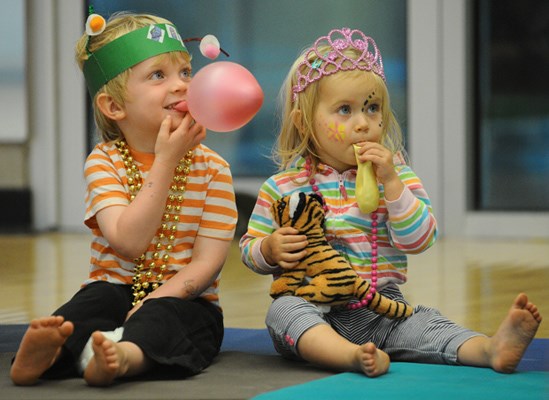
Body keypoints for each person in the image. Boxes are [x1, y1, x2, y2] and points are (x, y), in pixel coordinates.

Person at [239, 27, 542, 377]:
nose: (363, 122)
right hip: (313, 306)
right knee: (283, 313)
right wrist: (269, 250)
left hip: (383, 308)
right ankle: (347, 355)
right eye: (344, 110)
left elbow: (421, 239)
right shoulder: (282, 186)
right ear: (304, 122)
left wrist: (394, 186)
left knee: (427, 322)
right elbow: (250, 250)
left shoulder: (395, 176)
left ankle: (488, 349)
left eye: (371, 108)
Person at [10, 12, 237, 387]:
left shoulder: (213, 168)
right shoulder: (104, 161)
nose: (182, 86)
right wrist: (165, 161)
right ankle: (44, 357)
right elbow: (128, 242)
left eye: (185, 72)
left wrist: (153, 301)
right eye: (158, 75)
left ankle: (123, 359)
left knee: (168, 320)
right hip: (115, 286)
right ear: (114, 107)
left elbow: (206, 264)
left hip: (185, 299)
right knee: (84, 311)